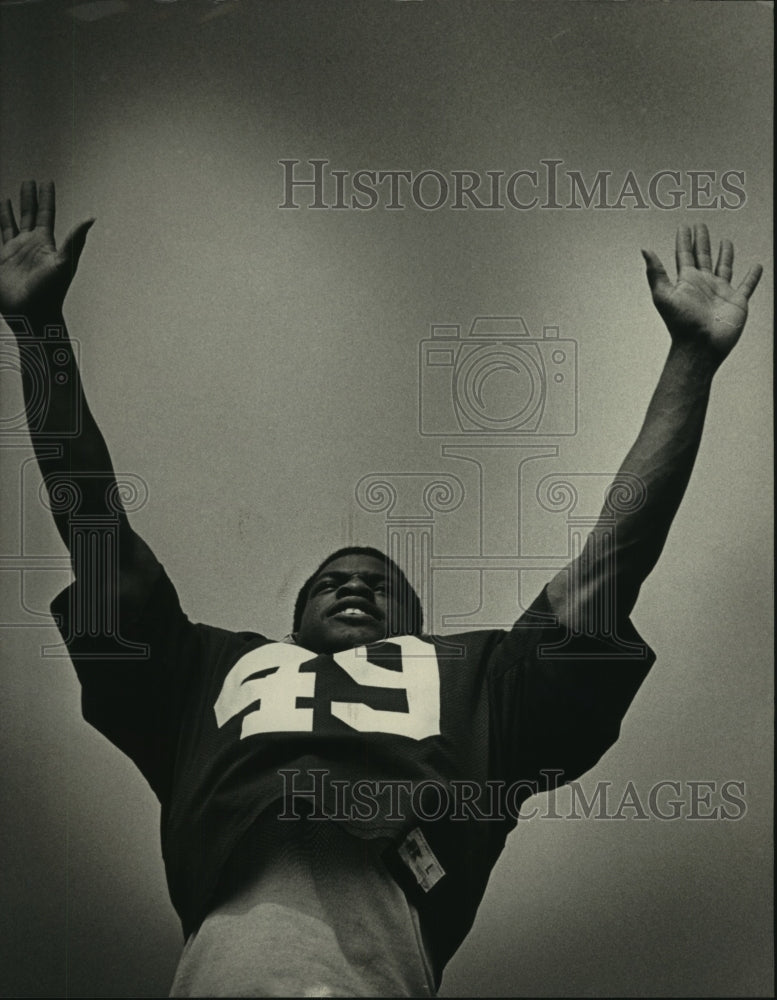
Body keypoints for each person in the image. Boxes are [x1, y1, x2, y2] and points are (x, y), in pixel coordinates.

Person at [0, 180, 762, 997]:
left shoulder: (479, 688)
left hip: (384, 952)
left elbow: (608, 567)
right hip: (227, 952)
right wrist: (39, 332)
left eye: (379, 581)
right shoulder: (204, 676)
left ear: (419, 628)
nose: (355, 584)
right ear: (292, 628)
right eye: (332, 581)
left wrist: (690, 364)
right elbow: (98, 532)